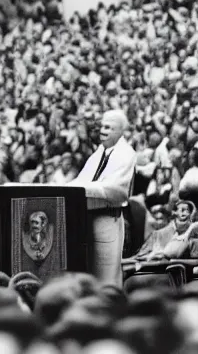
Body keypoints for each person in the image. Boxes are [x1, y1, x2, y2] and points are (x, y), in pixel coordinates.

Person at [64, 110, 137, 285]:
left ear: (120, 131)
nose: (102, 131)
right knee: (90, 273)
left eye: (108, 127)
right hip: (87, 217)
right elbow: (81, 180)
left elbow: (116, 190)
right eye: (102, 126)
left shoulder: (126, 154)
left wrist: (81, 188)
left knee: (106, 275)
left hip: (107, 217)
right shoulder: (100, 152)